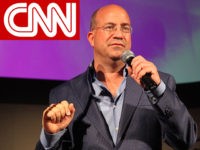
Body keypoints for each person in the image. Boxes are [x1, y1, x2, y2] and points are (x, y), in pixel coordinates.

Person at [35, 4, 197, 150]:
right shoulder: (64, 93)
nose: (119, 34)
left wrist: (158, 91)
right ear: (92, 38)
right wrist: (51, 135)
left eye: (125, 28)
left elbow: (186, 140)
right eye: (110, 27)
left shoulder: (158, 83)